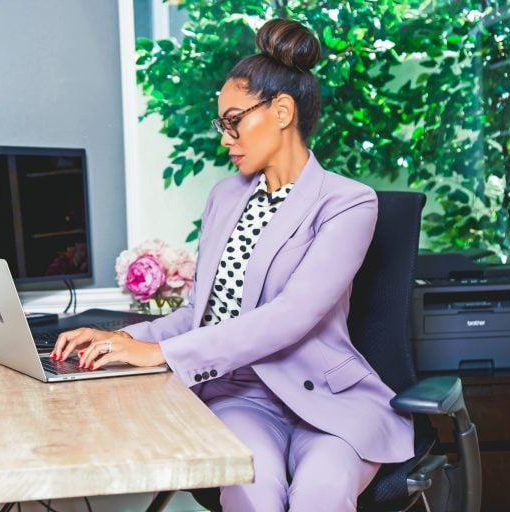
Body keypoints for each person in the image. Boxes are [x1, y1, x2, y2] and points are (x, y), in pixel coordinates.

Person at [52, 18, 414, 512]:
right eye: (222, 123)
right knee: (251, 490)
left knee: (320, 494)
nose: (225, 137)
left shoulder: (349, 203)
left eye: (233, 120)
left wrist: (162, 356)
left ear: (282, 111)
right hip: (242, 397)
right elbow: (205, 312)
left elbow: (292, 314)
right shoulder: (226, 197)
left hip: (330, 402)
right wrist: (126, 339)